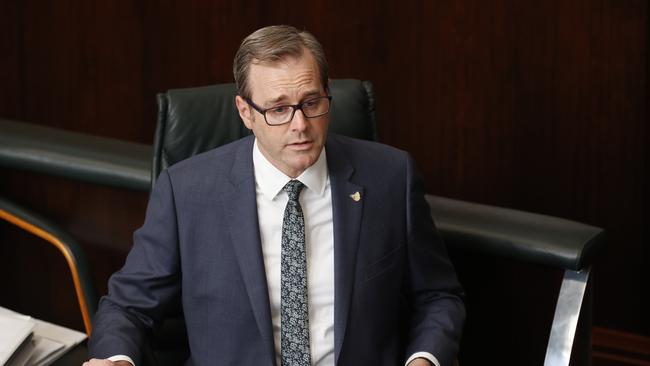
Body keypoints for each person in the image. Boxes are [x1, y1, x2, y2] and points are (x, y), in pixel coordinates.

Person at [85, 25, 465, 366]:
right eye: (279, 109)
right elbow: (128, 307)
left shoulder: (389, 178)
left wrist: (424, 360)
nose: (300, 125)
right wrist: (117, 359)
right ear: (245, 113)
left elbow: (437, 296)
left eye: (311, 103)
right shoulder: (186, 192)